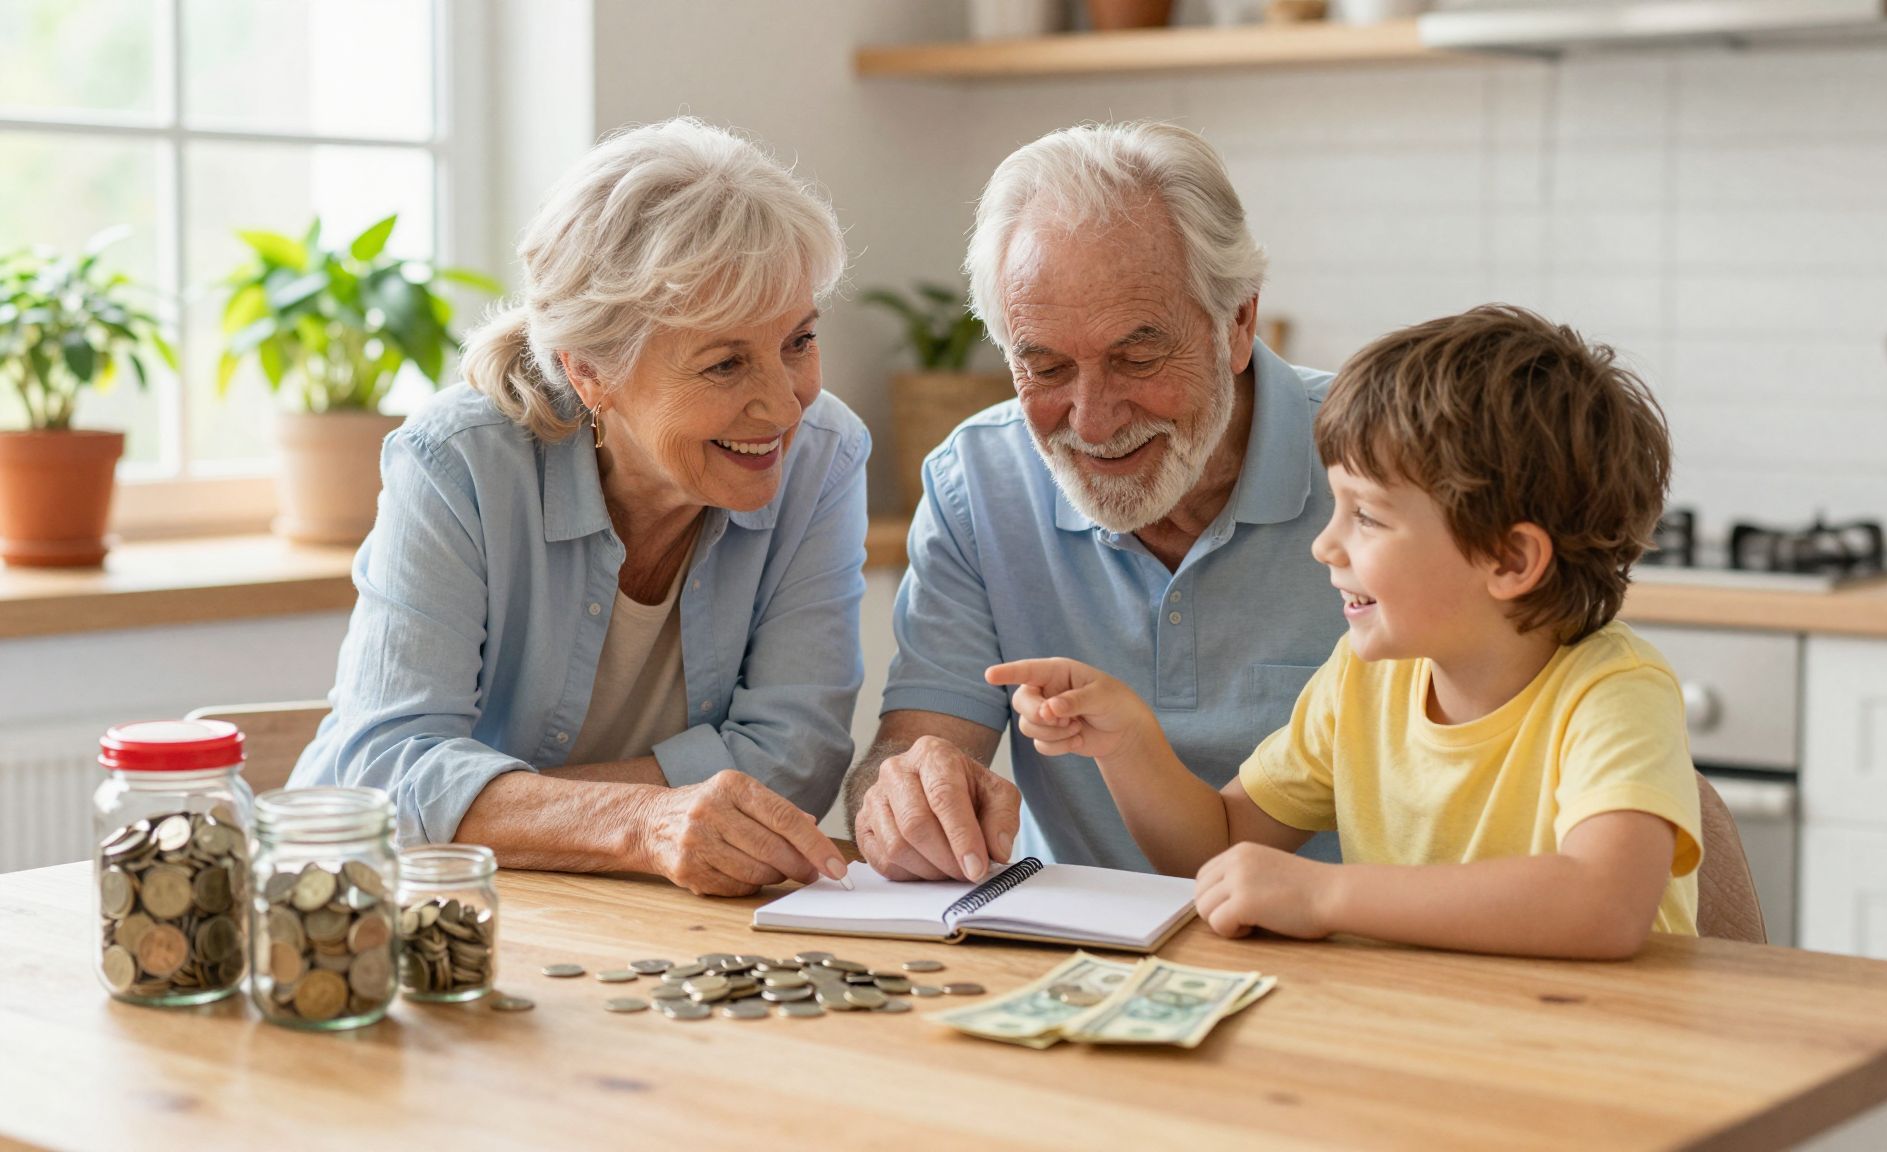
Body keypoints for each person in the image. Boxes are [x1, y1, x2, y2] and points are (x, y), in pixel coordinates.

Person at [989, 305, 1701, 958]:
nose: (1325, 545)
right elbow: (1220, 847)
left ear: (1509, 560)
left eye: (1367, 516)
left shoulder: (1612, 693)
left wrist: (1327, 895)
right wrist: (1128, 742)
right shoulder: (1363, 681)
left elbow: (1605, 904)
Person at [293, 118, 864, 896]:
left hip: (642, 911)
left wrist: (498, 808)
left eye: (798, 342)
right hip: (395, 904)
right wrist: (640, 822)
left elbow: (795, 761)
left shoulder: (823, 454)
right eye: (726, 364)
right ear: (589, 372)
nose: (785, 405)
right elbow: (389, 774)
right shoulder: (459, 459)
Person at [845, 121, 1347, 881]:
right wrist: (905, 801)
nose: (1092, 421)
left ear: (1238, 322)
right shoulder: (978, 480)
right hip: (1071, 936)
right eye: (1045, 368)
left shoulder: (1384, 468)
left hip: (1349, 938)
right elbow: (917, 746)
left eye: (1137, 358)